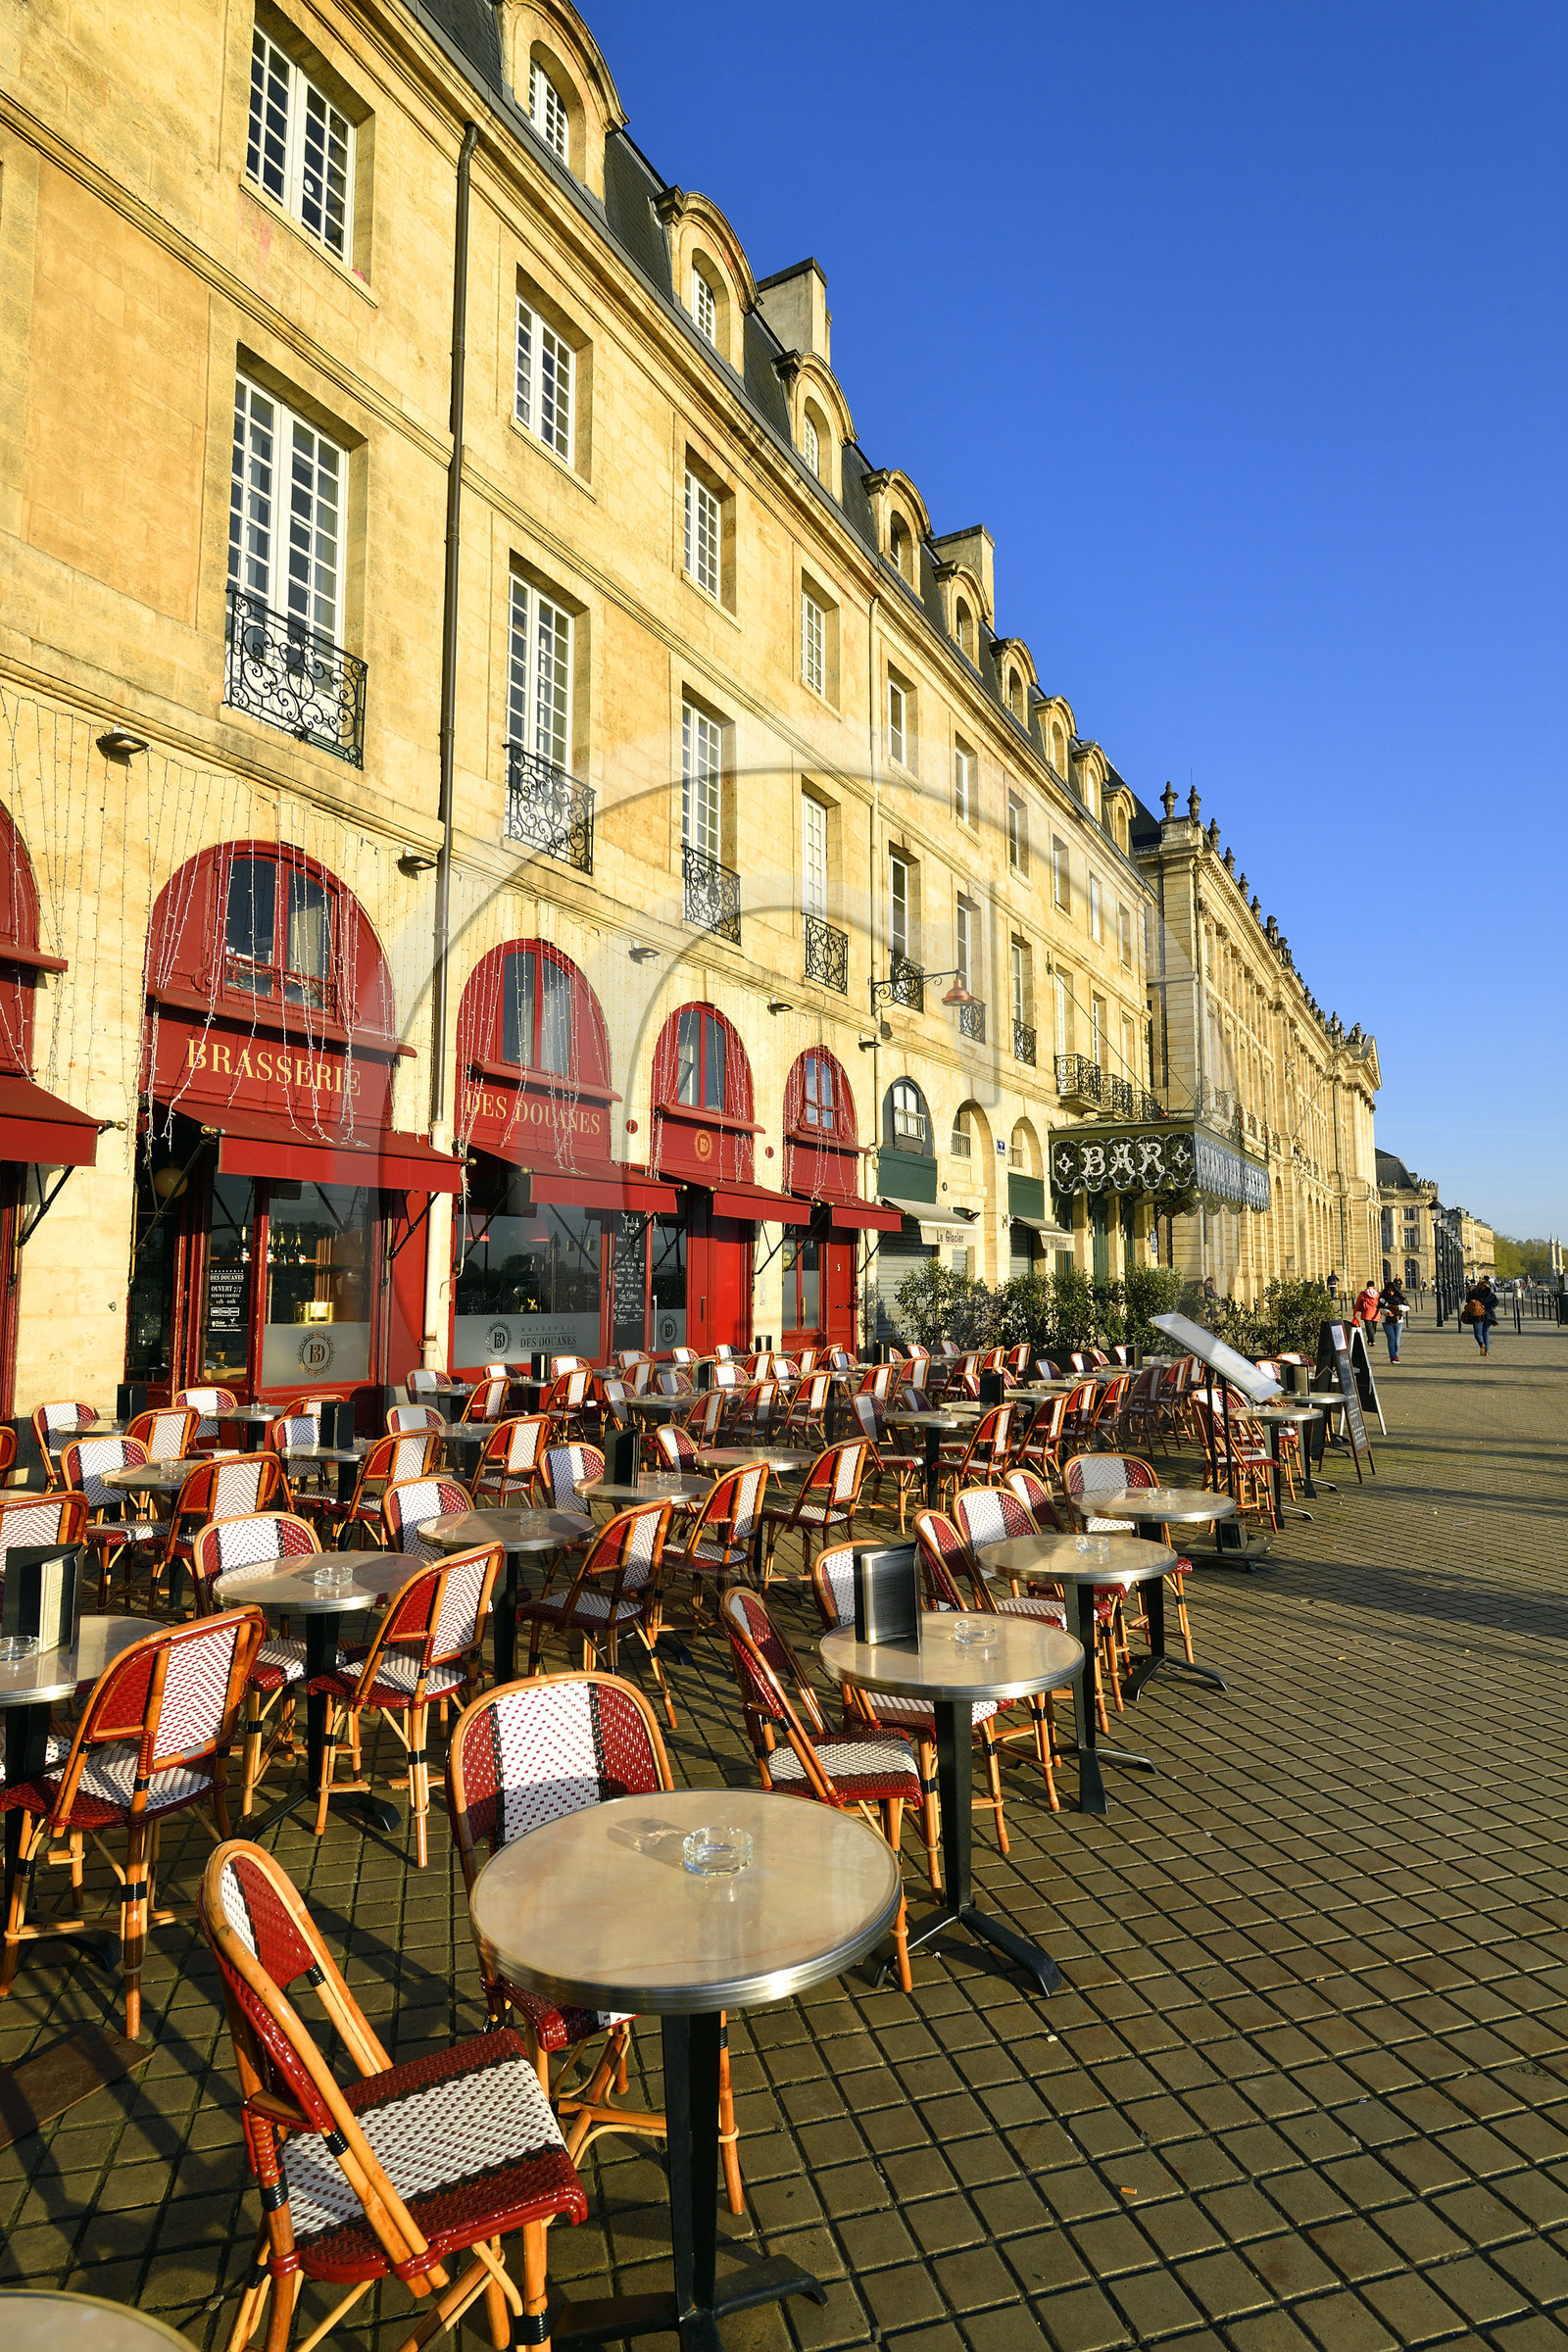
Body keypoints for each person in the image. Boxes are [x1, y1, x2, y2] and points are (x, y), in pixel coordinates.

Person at [1463, 1275, 1498, 1356]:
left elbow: (1467, 1300)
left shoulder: (1474, 1293)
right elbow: (1496, 1302)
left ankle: (1482, 1344)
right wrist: (1487, 1307)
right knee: (1485, 1333)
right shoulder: (1491, 1294)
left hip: (1477, 1315)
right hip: (1488, 1315)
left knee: (1478, 1334)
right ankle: (1486, 1351)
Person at [1378, 1277, 1406, 1361]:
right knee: (1391, 1339)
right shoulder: (1383, 1299)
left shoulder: (1399, 1298)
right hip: (1386, 1321)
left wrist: (1398, 1307)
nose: (1391, 1293)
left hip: (1398, 1321)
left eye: (1392, 1291)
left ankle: (1396, 1355)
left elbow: (1407, 1307)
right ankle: (1392, 1357)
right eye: (1389, 1291)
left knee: (1397, 1340)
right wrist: (1386, 1311)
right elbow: (1379, 1308)